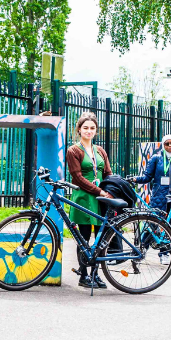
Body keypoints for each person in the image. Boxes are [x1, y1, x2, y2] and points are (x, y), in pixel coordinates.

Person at [66, 112, 113, 289]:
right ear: (79, 130)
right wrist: (100, 190)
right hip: (84, 198)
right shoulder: (73, 151)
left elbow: (108, 173)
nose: (89, 131)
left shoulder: (100, 150)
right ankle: (83, 275)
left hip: (101, 198)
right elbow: (77, 178)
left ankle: (96, 274)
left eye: (92, 128)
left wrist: (109, 190)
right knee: (84, 238)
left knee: (100, 238)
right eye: (85, 128)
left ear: (96, 131)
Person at [132, 134, 171, 264]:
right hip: (158, 197)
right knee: (152, 225)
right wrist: (135, 179)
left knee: (169, 228)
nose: (169, 146)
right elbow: (147, 177)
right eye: (167, 143)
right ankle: (140, 251)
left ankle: (165, 253)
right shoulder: (156, 159)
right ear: (163, 145)